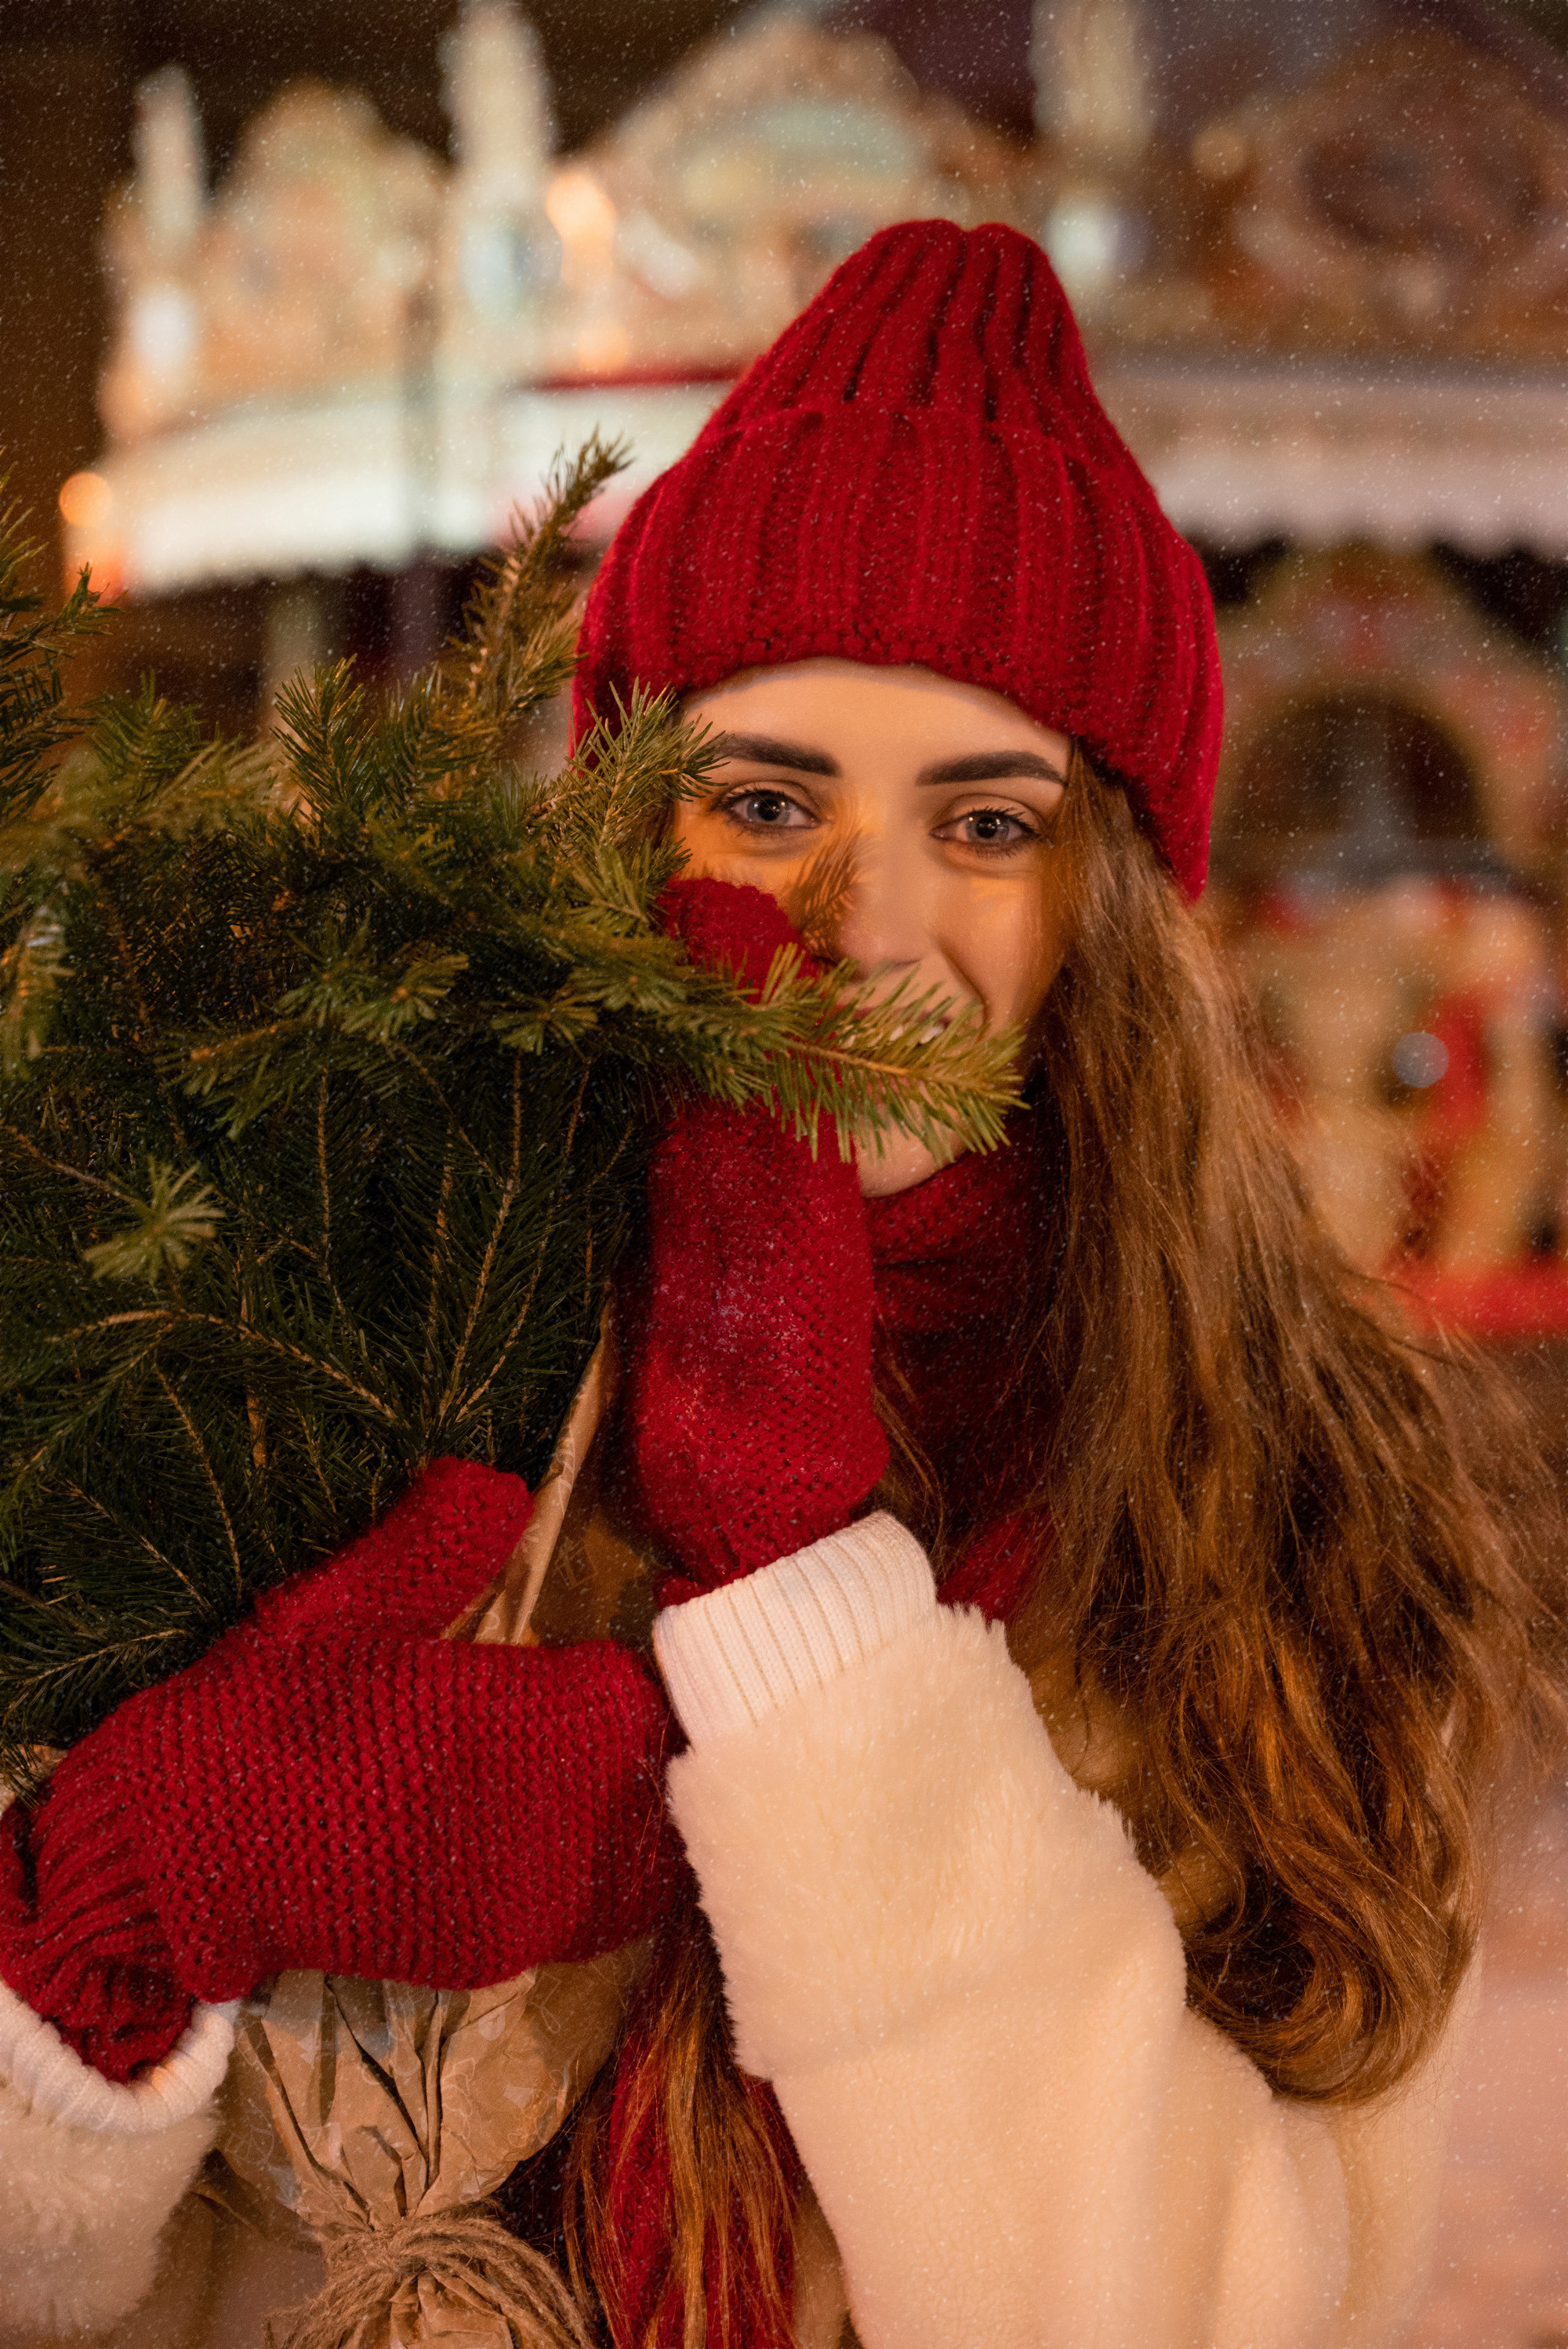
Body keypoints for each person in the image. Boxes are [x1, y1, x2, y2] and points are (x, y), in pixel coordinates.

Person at [0, 220, 1560, 2349]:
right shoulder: (341, 1312)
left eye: (988, 822)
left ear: (1121, 896)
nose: (869, 914)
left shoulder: (1320, 1522)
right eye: (765, 799)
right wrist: (120, 1900)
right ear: (639, 833)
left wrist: (804, 1601)